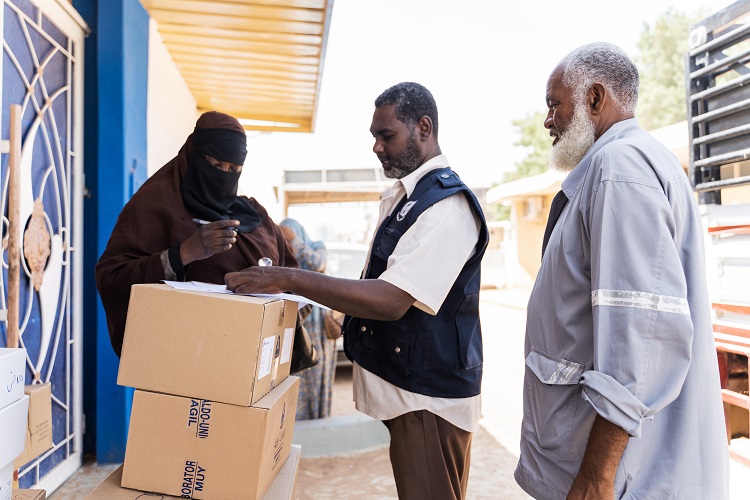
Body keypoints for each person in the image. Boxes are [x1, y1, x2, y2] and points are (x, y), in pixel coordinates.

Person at [226, 82, 488, 500]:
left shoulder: (446, 207)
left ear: (424, 128)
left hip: (428, 401)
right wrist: (341, 318)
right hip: (411, 394)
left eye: (387, 136)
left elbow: (390, 299)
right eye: (374, 137)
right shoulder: (408, 198)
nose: (377, 147)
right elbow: (378, 280)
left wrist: (289, 278)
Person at [515, 42, 729, 499]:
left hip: (620, 479)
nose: (548, 121)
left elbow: (641, 334)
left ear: (594, 98)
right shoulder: (618, 165)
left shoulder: (619, 168)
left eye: (555, 104)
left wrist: (596, 477)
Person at [95, 111, 299, 357]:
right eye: (214, 165)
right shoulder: (155, 206)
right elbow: (112, 277)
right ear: (193, 155)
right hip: (186, 360)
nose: (223, 175)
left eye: (233, 169)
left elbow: (292, 278)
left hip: (252, 358)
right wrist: (185, 253)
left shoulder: (255, 214)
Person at [278, 218, 336, 419]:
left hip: (318, 329)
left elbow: (318, 264)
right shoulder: (282, 254)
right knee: (298, 377)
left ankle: (319, 419)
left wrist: (295, 241)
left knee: (318, 374)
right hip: (296, 327)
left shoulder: (316, 247)